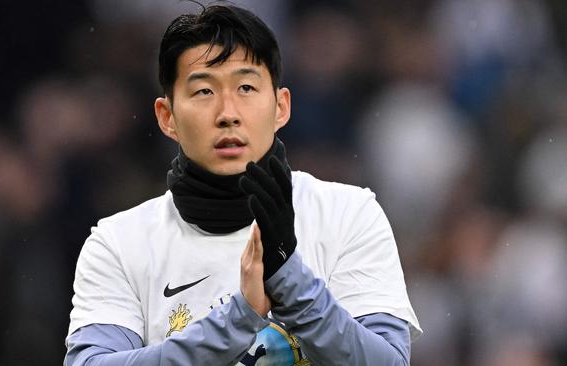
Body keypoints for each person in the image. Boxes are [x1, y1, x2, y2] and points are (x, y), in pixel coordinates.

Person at [64, 3, 421, 365]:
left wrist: (289, 277)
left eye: (246, 87)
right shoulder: (119, 243)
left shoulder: (348, 215)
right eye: (204, 91)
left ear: (281, 107)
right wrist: (238, 318)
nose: (228, 114)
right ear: (167, 116)